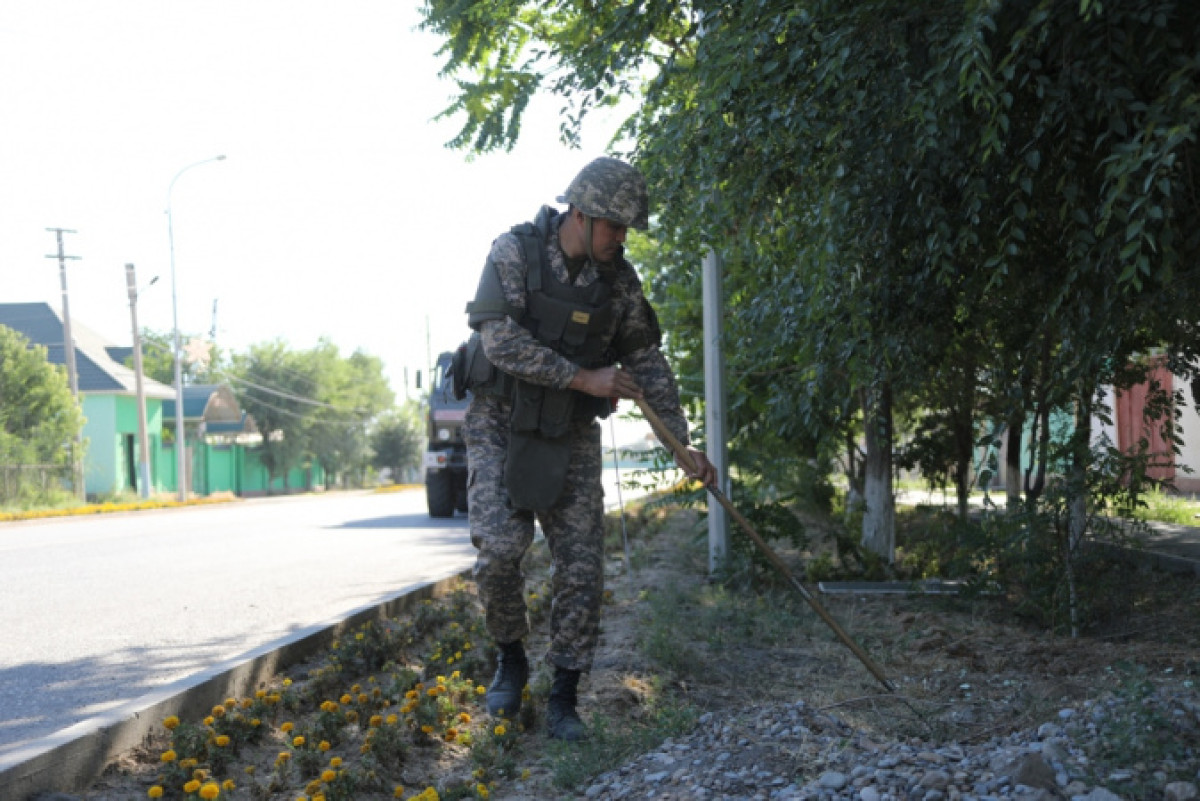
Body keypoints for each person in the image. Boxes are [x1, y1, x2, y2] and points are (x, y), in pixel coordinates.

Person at [458, 156, 717, 741]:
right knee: (500, 550)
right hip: (500, 422)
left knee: (580, 564)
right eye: (616, 226)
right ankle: (510, 656)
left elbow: (648, 365)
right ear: (581, 213)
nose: (622, 239)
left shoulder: (618, 283)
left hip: (569, 431)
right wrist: (586, 379)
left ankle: (563, 697)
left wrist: (682, 446)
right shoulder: (515, 253)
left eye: (627, 229)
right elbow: (498, 341)